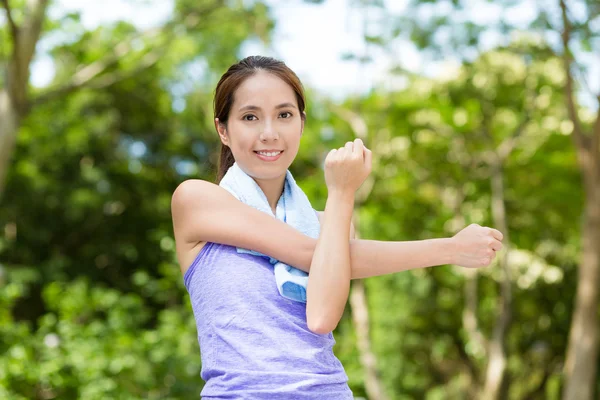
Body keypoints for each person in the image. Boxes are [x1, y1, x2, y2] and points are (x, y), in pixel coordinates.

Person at [171, 55, 503, 399]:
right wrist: (450, 248)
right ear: (223, 130)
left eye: (284, 115)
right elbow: (308, 253)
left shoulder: (329, 224)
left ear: (301, 124)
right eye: (250, 117)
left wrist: (341, 200)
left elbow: (322, 317)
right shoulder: (196, 200)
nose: (269, 133)